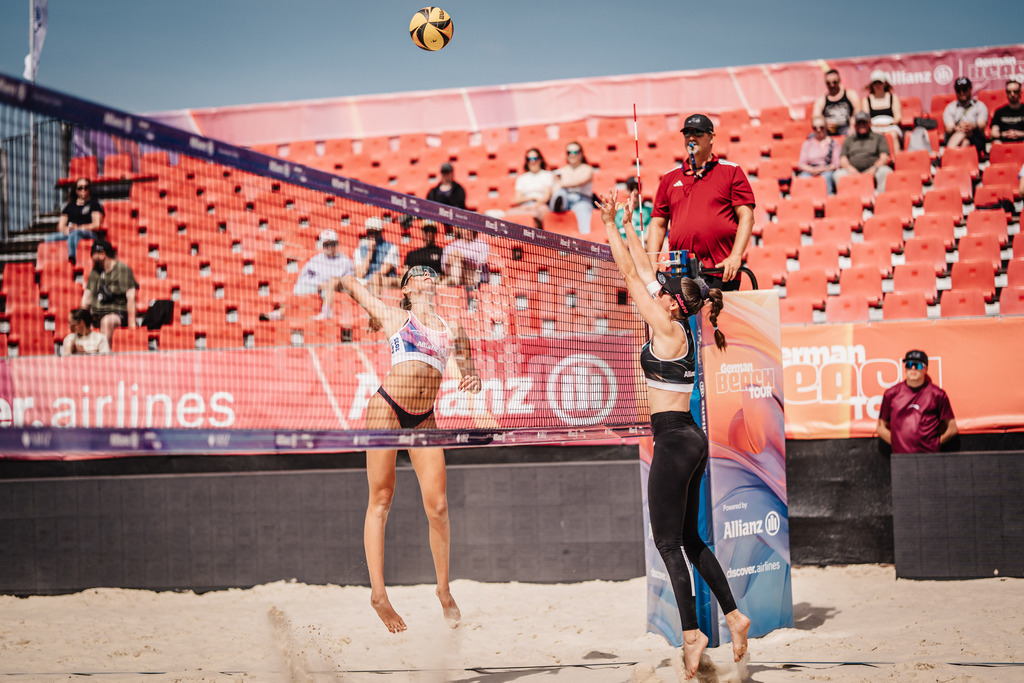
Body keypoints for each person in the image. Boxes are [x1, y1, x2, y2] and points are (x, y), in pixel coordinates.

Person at [599, 188, 750, 680]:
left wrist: (608, 227)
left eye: (664, 291)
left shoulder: (665, 329)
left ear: (673, 304)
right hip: (690, 438)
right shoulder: (678, 326)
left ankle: (691, 634)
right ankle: (734, 616)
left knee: (667, 542)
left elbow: (631, 275)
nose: (657, 290)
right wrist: (626, 222)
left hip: (673, 441)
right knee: (688, 537)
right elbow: (644, 269)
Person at [337, 264, 481, 634]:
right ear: (406, 289)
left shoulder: (454, 329)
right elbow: (350, 283)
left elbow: (468, 365)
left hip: (423, 417)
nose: (426, 274)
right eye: (417, 273)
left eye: (430, 272)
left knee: (439, 507)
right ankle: (379, 595)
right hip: (386, 408)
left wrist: (473, 377)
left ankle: (444, 590)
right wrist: (363, 296)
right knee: (381, 498)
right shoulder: (395, 316)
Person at [645, 114, 755, 291]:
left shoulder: (731, 171)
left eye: (698, 132)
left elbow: (747, 217)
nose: (691, 137)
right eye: (687, 133)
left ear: (711, 137)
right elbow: (658, 224)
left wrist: (736, 256)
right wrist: (652, 261)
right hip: (681, 273)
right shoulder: (670, 178)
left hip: (720, 271)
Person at [877, 350, 958, 453]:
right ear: (905, 368)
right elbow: (880, 428)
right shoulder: (891, 394)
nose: (913, 368)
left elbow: (952, 428)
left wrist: (934, 445)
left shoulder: (938, 394)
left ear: (926, 369)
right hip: (901, 457)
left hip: (930, 457)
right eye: (909, 364)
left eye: (918, 365)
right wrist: (898, 445)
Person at [81, 240, 138, 349]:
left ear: (102, 254)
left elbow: (131, 298)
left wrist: (132, 327)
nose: (91, 256)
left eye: (93, 253)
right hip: (96, 316)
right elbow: (86, 300)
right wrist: (84, 322)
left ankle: (104, 355)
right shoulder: (94, 272)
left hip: (117, 315)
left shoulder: (122, 270)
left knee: (107, 321)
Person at [287, 229, 355, 320]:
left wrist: (332, 284)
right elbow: (303, 278)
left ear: (337, 244)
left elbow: (350, 280)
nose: (329, 247)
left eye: (332, 244)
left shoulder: (345, 261)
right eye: (326, 245)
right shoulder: (315, 260)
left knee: (334, 281)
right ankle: (278, 314)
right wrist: (320, 285)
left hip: (338, 287)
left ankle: (325, 313)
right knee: (297, 291)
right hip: (318, 287)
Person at [46, 177, 103, 265]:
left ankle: (72, 260)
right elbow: (60, 226)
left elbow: (96, 225)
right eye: (80, 188)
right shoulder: (69, 206)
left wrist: (78, 228)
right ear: (76, 190)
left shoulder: (95, 205)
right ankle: (52, 262)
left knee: (74, 234)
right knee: (50, 238)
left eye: (86, 187)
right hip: (71, 232)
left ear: (90, 189)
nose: (83, 190)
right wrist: (66, 229)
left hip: (88, 233)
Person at [834, 112, 892, 193]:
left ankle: (881, 197)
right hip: (853, 170)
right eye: (859, 123)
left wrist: (874, 168)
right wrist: (850, 168)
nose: (861, 125)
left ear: (869, 123)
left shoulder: (879, 138)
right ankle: (847, 198)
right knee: (838, 174)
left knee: (885, 171)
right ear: (855, 125)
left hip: (874, 170)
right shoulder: (849, 139)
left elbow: (884, 157)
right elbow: (843, 159)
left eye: (864, 122)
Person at [549, 141, 595, 234]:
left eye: (575, 152)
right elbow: (554, 188)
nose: (572, 155)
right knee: (560, 193)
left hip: (581, 199)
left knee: (582, 209)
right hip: (565, 197)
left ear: (581, 154)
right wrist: (560, 186)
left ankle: (585, 237)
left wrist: (562, 184)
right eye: (569, 152)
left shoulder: (587, 169)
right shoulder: (561, 171)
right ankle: (558, 204)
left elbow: (580, 182)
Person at [943, 77, 989, 161]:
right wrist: (958, 128)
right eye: (958, 90)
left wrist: (972, 126)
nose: (961, 93)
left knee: (964, 134)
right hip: (957, 137)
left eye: (964, 89)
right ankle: (960, 163)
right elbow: (949, 127)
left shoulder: (980, 106)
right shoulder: (950, 107)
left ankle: (945, 158)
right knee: (965, 142)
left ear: (970, 89)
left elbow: (981, 125)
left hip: (975, 138)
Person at [354, 217, 400, 296]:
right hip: (366, 281)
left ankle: (374, 301)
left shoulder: (392, 247)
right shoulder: (359, 250)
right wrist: (370, 252)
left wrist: (371, 281)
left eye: (375, 232)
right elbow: (359, 274)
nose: (373, 235)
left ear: (381, 232)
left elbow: (384, 271)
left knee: (376, 277)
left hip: (385, 280)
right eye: (370, 232)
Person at [511, 148, 555, 229]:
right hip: (525, 206)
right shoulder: (521, 178)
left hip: (541, 206)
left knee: (533, 216)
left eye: (535, 158)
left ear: (540, 160)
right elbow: (517, 199)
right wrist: (532, 198)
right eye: (529, 159)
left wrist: (533, 206)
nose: (532, 162)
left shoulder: (547, 175)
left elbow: (546, 197)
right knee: (509, 215)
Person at [797, 116, 841, 194]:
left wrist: (821, 169)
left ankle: (827, 198)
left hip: (826, 169)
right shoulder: (807, 144)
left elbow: (836, 164)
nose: (818, 130)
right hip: (810, 170)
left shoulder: (834, 143)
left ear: (826, 127)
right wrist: (812, 170)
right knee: (802, 177)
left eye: (821, 127)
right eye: (815, 128)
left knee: (826, 177)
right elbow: (801, 164)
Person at [812, 69, 861, 136]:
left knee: (854, 133)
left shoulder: (850, 94)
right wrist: (824, 123)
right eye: (828, 83)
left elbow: (858, 111)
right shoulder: (821, 101)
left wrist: (853, 123)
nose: (832, 85)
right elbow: (815, 118)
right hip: (828, 131)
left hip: (847, 128)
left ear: (839, 81)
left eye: (834, 82)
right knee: (812, 136)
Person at [861, 70, 903, 144]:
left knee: (893, 135)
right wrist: (875, 125)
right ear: (871, 85)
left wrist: (888, 125)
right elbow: (866, 118)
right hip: (874, 127)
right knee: (874, 136)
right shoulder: (866, 100)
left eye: (880, 83)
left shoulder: (893, 97)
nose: (877, 85)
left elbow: (898, 117)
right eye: (875, 83)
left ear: (885, 84)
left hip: (891, 126)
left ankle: (896, 152)